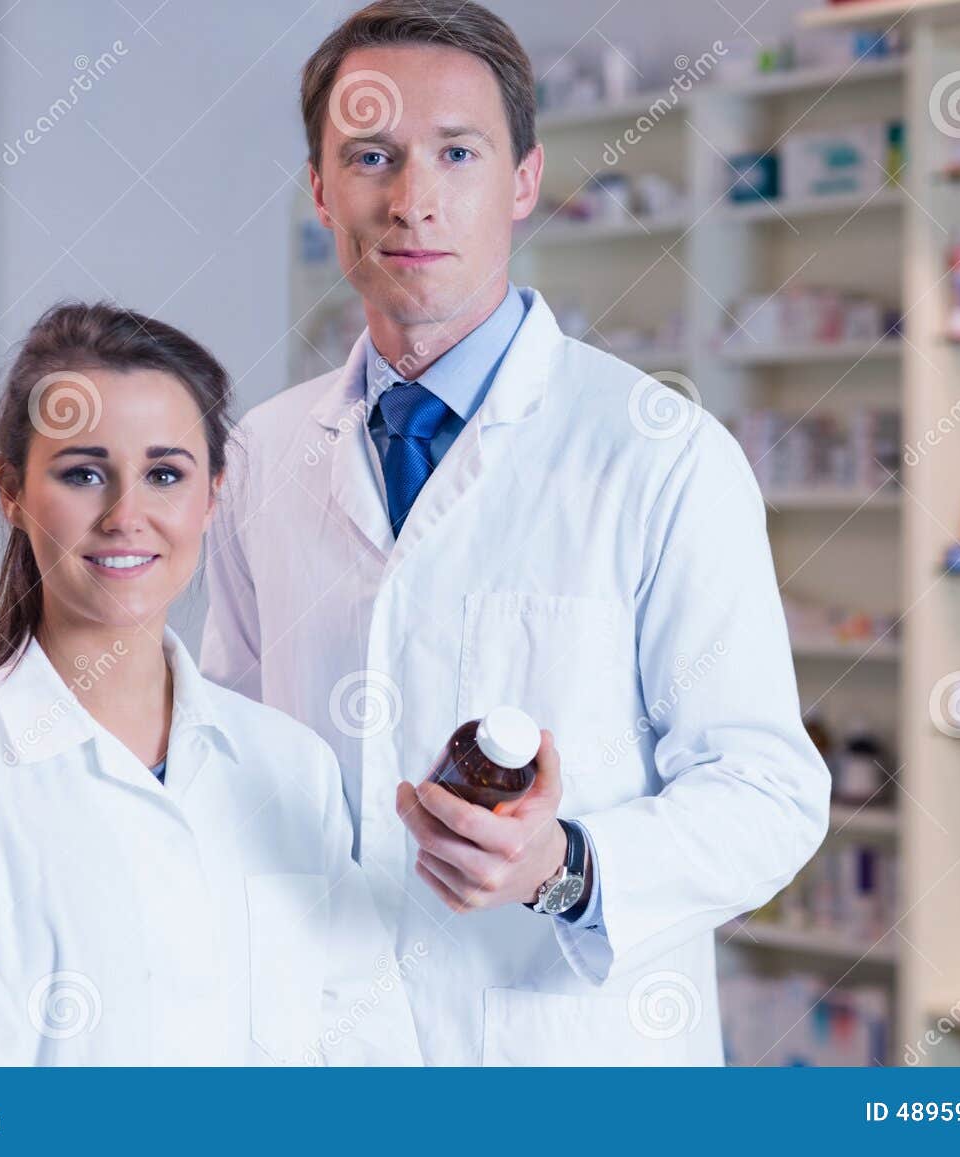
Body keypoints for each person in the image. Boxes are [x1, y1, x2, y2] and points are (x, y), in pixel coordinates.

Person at [201, 1, 831, 1066]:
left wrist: (564, 863)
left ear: (524, 181)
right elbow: (233, 761)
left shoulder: (659, 454)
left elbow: (768, 790)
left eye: (457, 152)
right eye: (370, 156)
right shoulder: (261, 453)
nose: (412, 199)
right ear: (319, 189)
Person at [0, 302, 420, 1066]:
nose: (126, 514)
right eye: (84, 472)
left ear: (213, 495)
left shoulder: (290, 765)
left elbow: (368, 1051)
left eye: (164, 474)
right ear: (12, 491)